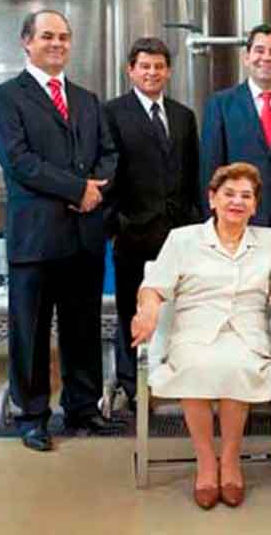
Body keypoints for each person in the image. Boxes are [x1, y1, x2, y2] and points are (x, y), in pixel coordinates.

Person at [131, 163, 271, 510]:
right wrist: (148, 311)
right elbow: (154, 286)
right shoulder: (183, 239)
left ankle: (230, 460)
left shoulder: (269, 240)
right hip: (194, 330)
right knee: (195, 366)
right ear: (212, 199)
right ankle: (206, 463)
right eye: (229, 194)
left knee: (237, 365)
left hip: (247, 332)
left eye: (246, 196)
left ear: (254, 205)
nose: (237, 202)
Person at [0, 9, 119, 452]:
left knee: (83, 327)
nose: (57, 44)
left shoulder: (86, 99)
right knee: (31, 330)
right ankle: (32, 416)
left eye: (63, 37)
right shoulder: (5, 98)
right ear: (27, 42)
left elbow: (109, 153)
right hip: (36, 236)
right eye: (47, 36)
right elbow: (19, 161)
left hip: (84, 233)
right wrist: (78, 189)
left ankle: (83, 408)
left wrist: (95, 191)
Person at [199, 23, 271, 411]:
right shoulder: (221, 104)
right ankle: (235, 388)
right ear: (247, 56)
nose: (267, 58)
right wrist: (214, 223)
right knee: (235, 303)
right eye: (260, 50)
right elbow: (211, 168)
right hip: (235, 223)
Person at [102, 37, 201, 413]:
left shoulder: (183, 116)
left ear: (169, 71)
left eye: (159, 66)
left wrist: (195, 223)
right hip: (133, 232)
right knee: (132, 309)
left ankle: (176, 375)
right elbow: (107, 171)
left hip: (178, 233)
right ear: (131, 70)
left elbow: (193, 171)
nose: (152, 73)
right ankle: (132, 386)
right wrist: (116, 224)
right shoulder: (112, 113)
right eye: (144, 66)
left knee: (180, 307)